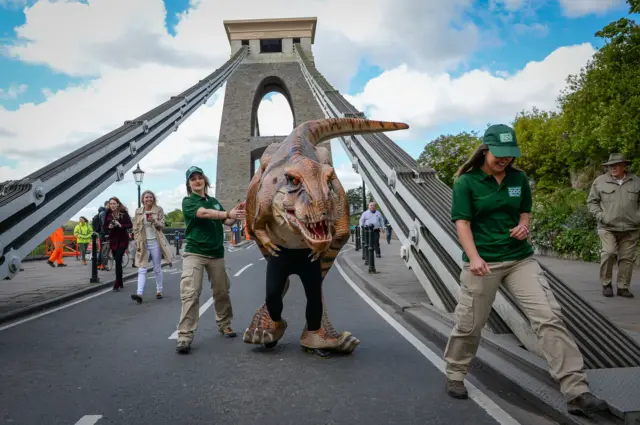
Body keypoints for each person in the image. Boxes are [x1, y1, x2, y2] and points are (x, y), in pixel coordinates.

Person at [443, 124, 608, 416]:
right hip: (483, 262)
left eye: (510, 155)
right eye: (499, 154)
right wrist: (474, 258)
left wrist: (524, 226)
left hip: (519, 258)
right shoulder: (466, 183)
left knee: (549, 317)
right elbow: (463, 224)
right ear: (485, 149)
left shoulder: (518, 178)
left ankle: (576, 391)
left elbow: (525, 210)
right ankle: (455, 373)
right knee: (470, 324)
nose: (505, 160)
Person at [175, 166, 246, 354]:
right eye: (193, 179)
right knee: (190, 293)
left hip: (216, 253)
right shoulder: (188, 201)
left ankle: (224, 324)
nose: (197, 181)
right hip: (195, 253)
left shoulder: (214, 201)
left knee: (222, 291)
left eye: (200, 177)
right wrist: (227, 214)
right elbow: (203, 214)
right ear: (189, 184)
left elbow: (227, 222)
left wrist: (237, 213)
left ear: (205, 180)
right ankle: (184, 336)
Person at [587, 153, 639, 298]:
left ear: (624, 166)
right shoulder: (600, 182)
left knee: (627, 258)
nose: (613, 168)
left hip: (631, 227)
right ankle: (606, 283)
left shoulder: (636, 182)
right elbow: (592, 202)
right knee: (609, 252)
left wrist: (638, 217)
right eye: (610, 166)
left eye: (616, 165)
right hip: (607, 227)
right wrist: (600, 216)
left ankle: (623, 287)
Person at [131, 190, 174, 303]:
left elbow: (162, 225)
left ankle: (159, 290)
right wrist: (137, 240)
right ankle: (139, 293)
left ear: (153, 198)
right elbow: (135, 227)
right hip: (143, 243)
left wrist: (154, 221)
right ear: (142, 199)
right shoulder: (138, 211)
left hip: (155, 242)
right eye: (146, 197)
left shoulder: (158, 210)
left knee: (157, 268)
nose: (149, 199)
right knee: (142, 268)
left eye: (150, 197)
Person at [104, 196, 133, 291]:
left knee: (118, 258)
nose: (112, 205)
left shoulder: (123, 213)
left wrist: (121, 225)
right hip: (113, 240)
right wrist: (109, 226)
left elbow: (130, 224)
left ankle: (116, 283)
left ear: (118, 204)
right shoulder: (107, 213)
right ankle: (120, 281)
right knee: (117, 261)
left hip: (123, 239)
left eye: (114, 204)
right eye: (111, 204)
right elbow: (104, 227)